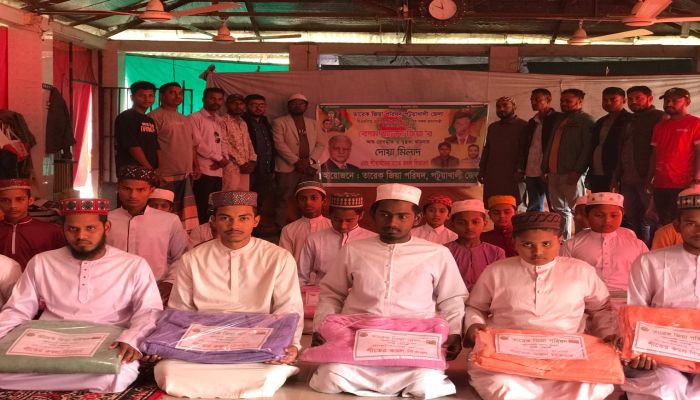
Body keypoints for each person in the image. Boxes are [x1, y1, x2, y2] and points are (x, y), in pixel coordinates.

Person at [310, 183, 468, 399]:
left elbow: (452, 298)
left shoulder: (437, 253)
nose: (392, 223)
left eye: (402, 216)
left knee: (426, 384)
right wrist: (321, 326)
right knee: (330, 377)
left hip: (413, 342)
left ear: (417, 218)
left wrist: (455, 332)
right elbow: (331, 293)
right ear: (373, 215)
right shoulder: (353, 250)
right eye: (385, 215)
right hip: (358, 338)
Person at [0, 198, 162, 393]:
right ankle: (78, 378)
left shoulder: (133, 265)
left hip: (107, 342)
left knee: (117, 374)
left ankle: (48, 377)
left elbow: (149, 310)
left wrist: (133, 338)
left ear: (106, 227)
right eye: (72, 229)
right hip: (48, 341)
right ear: (63, 229)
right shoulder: (42, 262)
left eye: (90, 228)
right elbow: (18, 309)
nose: (81, 236)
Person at [158, 190, 303, 398]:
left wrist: (292, 346)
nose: (234, 225)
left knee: (268, 373)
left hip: (257, 345)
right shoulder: (193, 258)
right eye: (225, 218)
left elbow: (289, 308)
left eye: (243, 218)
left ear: (256, 221)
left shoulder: (278, 258)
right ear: (213, 221)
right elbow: (179, 310)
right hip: (203, 343)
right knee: (168, 371)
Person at [466, 211, 617, 400]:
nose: (537, 252)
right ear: (514, 243)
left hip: (567, 355)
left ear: (559, 241)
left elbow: (601, 308)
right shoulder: (496, 271)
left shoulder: (581, 270)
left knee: (592, 384)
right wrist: (474, 325)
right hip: (507, 356)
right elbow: (476, 307)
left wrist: (607, 334)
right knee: (502, 384)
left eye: (546, 244)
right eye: (527, 244)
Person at [622, 186, 700, 399]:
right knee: (666, 387)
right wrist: (639, 351)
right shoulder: (649, 262)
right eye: (691, 223)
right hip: (661, 356)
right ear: (677, 225)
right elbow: (635, 313)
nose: (699, 230)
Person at [107, 166, 188, 303]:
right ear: (118, 188)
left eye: (140, 190)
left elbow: (181, 256)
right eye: (127, 189)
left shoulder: (169, 220)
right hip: (112, 290)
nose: (133, 195)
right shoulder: (105, 220)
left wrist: (170, 282)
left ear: (151, 190)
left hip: (156, 290)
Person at [561, 192, 648, 296]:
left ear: (622, 215)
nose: (607, 220)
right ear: (587, 215)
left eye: (614, 215)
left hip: (628, 298)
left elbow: (647, 277)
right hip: (585, 299)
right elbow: (562, 276)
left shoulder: (637, 245)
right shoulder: (572, 245)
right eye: (599, 215)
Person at [612, 86, 665, 245]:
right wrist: (616, 177)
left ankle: (654, 248)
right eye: (630, 99)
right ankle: (638, 247)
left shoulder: (660, 118)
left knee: (652, 217)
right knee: (633, 215)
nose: (633, 102)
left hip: (647, 176)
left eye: (638, 98)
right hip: (627, 177)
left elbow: (661, 150)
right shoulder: (629, 119)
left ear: (650, 99)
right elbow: (621, 149)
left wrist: (653, 177)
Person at [542, 88, 595, 240]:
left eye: (568, 101)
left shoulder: (586, 121)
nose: (564, 104)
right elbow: (551, 145)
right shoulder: (560, 120)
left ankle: (581, 240)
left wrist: (578, 171)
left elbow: (587, 149)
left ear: (580, 102)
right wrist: (545, 167)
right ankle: (564, 240)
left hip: (572, 173)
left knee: (579, 209)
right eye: (562, 101)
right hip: (554, 172)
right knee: (559, 209)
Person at [646, 87, 700, 225]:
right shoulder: (660, 126)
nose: (669, 104)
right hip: (661, 184)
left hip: (685, 184)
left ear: (687, 102)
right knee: (664, 223)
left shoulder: (696, 123)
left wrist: (697, 180)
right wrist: (649, 178)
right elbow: (654, 154)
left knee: (683, 223)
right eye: (666, 100)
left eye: (675, 100)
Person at [299, 192, 376, 286]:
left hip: (359, 293)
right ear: (330, 215)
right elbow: (301, 277)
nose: (343, 226)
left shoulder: (372, 240)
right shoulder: (314, 239)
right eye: (337, 219)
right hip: (323, 292)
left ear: (361, 216)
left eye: (349, 220)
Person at [273, 93, 326, 229]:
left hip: (309, 167)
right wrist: (296, 161)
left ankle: (310, 226)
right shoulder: (279, 122)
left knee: (310, 197)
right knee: (283, 198)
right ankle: (281, 228)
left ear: (306, 106)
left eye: (301, 103)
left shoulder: (313, 123)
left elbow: (321, 144)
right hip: (287, 167)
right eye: (294, 103)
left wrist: (310, 161)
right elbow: (279, 144)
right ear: (288, 106)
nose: (297, 106)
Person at [148, 82, 200, 216]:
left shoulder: (185, 118)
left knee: (182, 215)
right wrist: (155, 170)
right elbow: (150, 146)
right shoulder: (154, 117)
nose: (177, 96)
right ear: (161, 96)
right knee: (162, 213)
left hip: (185, 174)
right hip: (165, 175)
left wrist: (196, 166)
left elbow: (192, 144)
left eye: (180, 93)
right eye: (172, 93)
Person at [0, 178, 64, 269]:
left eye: (20, 199)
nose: (12, 206)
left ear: (30, 200)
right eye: (5, 200)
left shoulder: (51, 232)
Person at [445, 199, 505, 290]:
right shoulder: (444, 251)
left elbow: (500, 283)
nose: (469, 227)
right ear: (452, 225)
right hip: (452, 298)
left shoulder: (496, 252)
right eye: (461, 223)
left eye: (475, 222)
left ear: (484, 224)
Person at [478, 96, 528, 205]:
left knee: (513, 204)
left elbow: (525, 151)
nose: (501, 109)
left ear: (514, 107)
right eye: (498, 106)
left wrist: (520, 170)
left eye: (505, 106)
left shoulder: (523, 125)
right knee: (493, 203)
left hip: (513, 174)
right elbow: (487, 149)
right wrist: (482, 170)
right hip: (493, 173)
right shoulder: (493, 127)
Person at [189, 87, 227, 224]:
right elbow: (197, 143)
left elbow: (223, 141)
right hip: (204, 169)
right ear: (203, 99)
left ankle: (210, 232)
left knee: (214, 206)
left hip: (218, 170)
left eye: (219, 99)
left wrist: (224, 159)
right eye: (212, 98)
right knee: (201, 204)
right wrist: (219, 158)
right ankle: (199, 233)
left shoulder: (219, 120)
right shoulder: (194, 118)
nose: (216, 102)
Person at [521, 88, 559, 212]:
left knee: (555, 205)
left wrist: (550, 168)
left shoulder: (558, 120)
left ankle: (556, 226)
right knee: (533, 205)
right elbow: (526, 146)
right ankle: (536, 224)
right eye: (532, 99)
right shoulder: (532, 122)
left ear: (548, 100)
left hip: (549, 170)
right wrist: (522, 167)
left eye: (537, 99)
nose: (533, 102)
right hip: (531, 169)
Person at [588, 87, 632, 193]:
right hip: (597, 171)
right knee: (598, 201)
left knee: (616, 202)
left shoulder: (630, 120)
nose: (608, 103)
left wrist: (619, 174)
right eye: (605, 100)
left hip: (617, 173)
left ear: (624, 101)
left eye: (613, 100)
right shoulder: (600, 121)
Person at [242, 94, 276, 231]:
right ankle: (245, 228)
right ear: (246, 106)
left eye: (261, 105)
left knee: (260, 200)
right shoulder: (242, 122)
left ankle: (255, 227)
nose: (258, 108)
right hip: (249, 169)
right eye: (254, 105)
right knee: (246, 200)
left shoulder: (265, 122)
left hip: (265, 168)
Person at [278, 181, 331, 264]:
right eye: (303, 199)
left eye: (313, 198)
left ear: (323, 201)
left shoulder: (332, 226)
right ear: (297, 203)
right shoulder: (288, 230)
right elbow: (285, 261)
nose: (308, 202)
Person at [114, 81, 159, 171]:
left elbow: (155, 145)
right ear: (132, 97)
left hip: (149, 170)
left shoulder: (149, 120)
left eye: (151, 95)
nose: (147, 99)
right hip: (132, 170)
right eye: (142, 95)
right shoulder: (126, 117)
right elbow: (132, 146)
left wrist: (157, 168)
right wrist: (149, 168)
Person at [221, 93, 257, 191]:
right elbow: (224, 144)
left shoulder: (243, 122)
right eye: (234, 103)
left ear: (244, 106)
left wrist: (252, 160)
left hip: (246, 166)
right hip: (230, 166)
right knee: (230, 195)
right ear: (227, 105)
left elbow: (249, 142)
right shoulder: (222, 121)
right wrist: (241, 163)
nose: (238, 106)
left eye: (241, 104)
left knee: (243, 196)